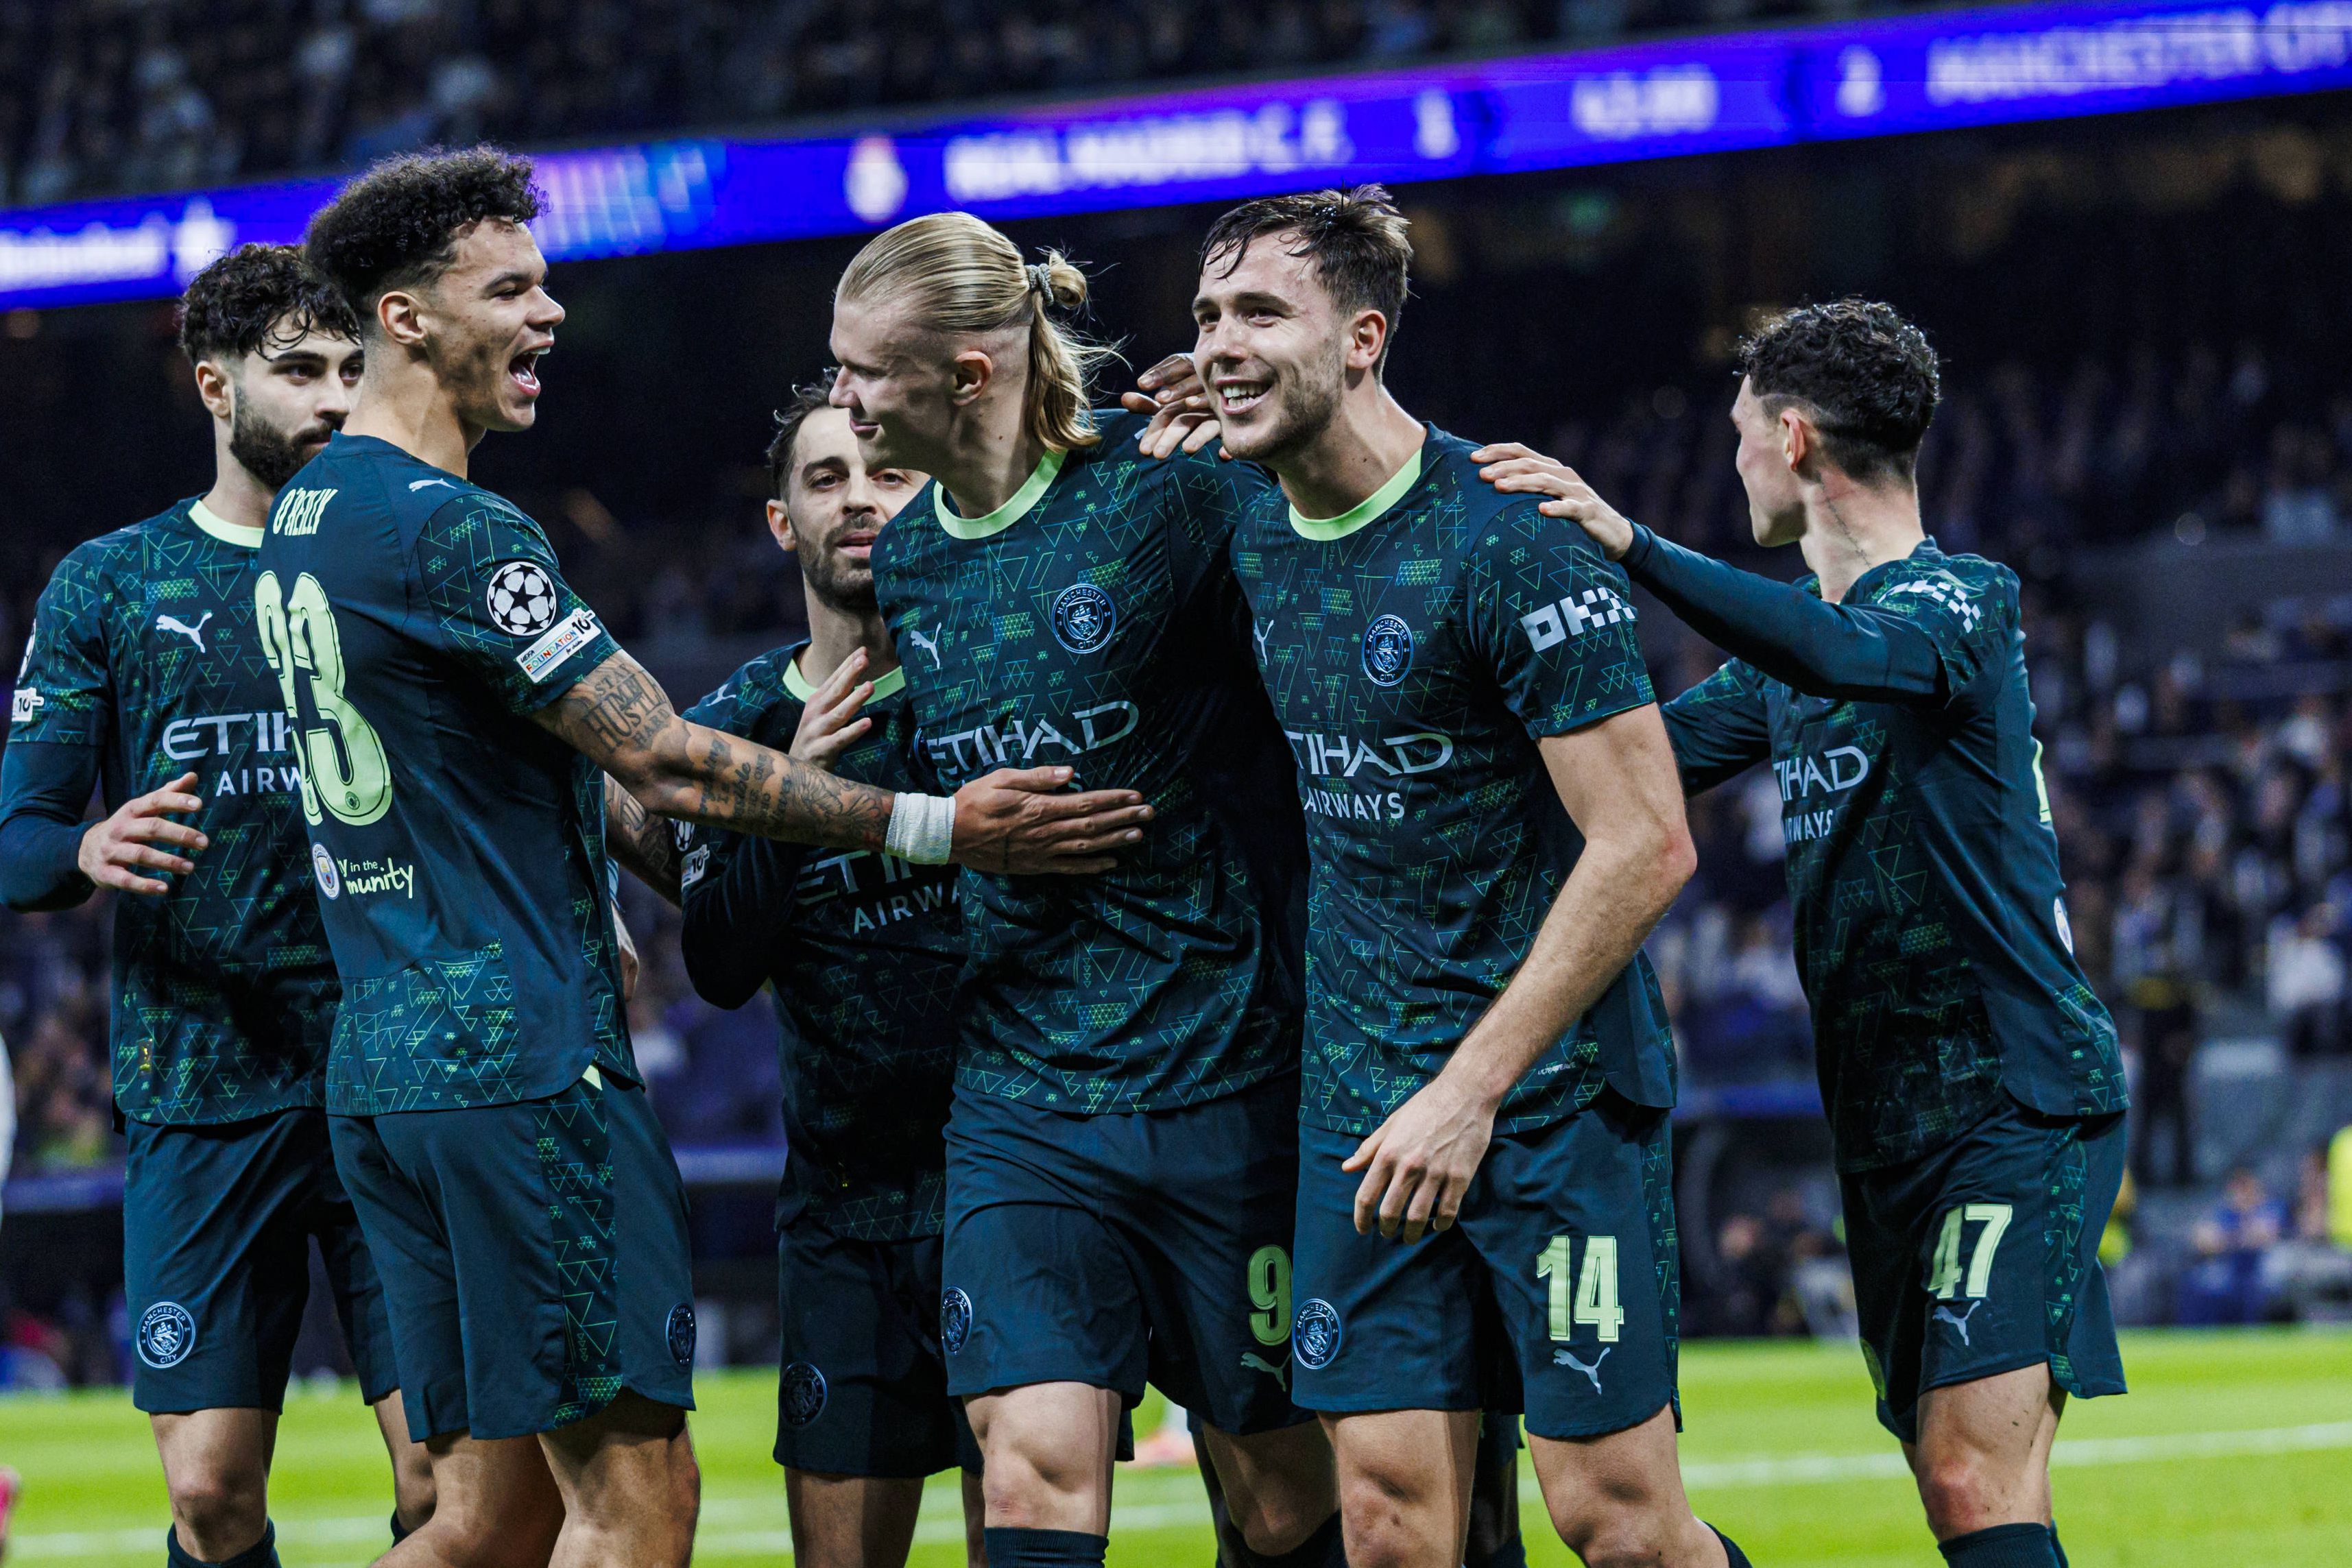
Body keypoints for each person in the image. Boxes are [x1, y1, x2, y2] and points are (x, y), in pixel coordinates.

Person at [267, 149, 1151, 1568]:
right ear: (406, 317)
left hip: (387, 1063)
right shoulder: (451, 528)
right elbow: (664, 761)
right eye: (511, 288)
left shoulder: (304, 521)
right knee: (638, 1505)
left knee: (487, 1521)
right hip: (520, 1062)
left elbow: (503, 758)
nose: (549, 312)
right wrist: (933, 822)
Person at [1483, 298, 2129, 1568]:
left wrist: (1632, 543)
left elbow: (1841, 650)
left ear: (1790, 440)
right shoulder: (1789, 666)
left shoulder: (1959, 601)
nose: (1731, 463)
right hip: (1882, 1121)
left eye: (1737, 435)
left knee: (1972, 1478)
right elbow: (1628, 768)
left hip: (2010, 1098)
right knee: (1950, 1479)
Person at [1184, 185, 1742, 1568]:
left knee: (1615, 1523)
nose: (1218, 342)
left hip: (1545, 1098)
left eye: (1258, 312)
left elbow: (1646, 841)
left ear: (1362, 338)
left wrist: (1468, 1090)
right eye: (1204, 317)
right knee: (1382, 1524)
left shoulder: (1507, 539)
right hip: (1360, 1102)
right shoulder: (1246, 530)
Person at [832, 211, 1345, 1568]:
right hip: (1022, 1097)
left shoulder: (1169, 487)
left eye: (865, 371)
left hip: (1223, 1067)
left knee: (1280, 1495)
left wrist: (1273, 436)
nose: (842, 398)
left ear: (967, 375)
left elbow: (1349, 596)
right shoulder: (909, 557)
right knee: (1030, 1461)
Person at [0, 245, 433, 1568]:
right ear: (214, 384)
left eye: (350, 370)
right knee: (209, 1493)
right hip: (199, 1084)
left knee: (446, 1479)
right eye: (297, 370)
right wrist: (90, 844)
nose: (333, 398)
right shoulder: (112, 581)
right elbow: (18, 846)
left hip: (392, 1069)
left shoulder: (406, 558)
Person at [669, 378, 989, 1568]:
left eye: (889, 474)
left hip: (1014, 1183)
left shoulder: (998, 678)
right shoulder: (734, 725)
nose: (861, 499)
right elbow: (717, 965)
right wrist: (790, 797)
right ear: (781, 521)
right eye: (827, 479)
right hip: (841, 1211)